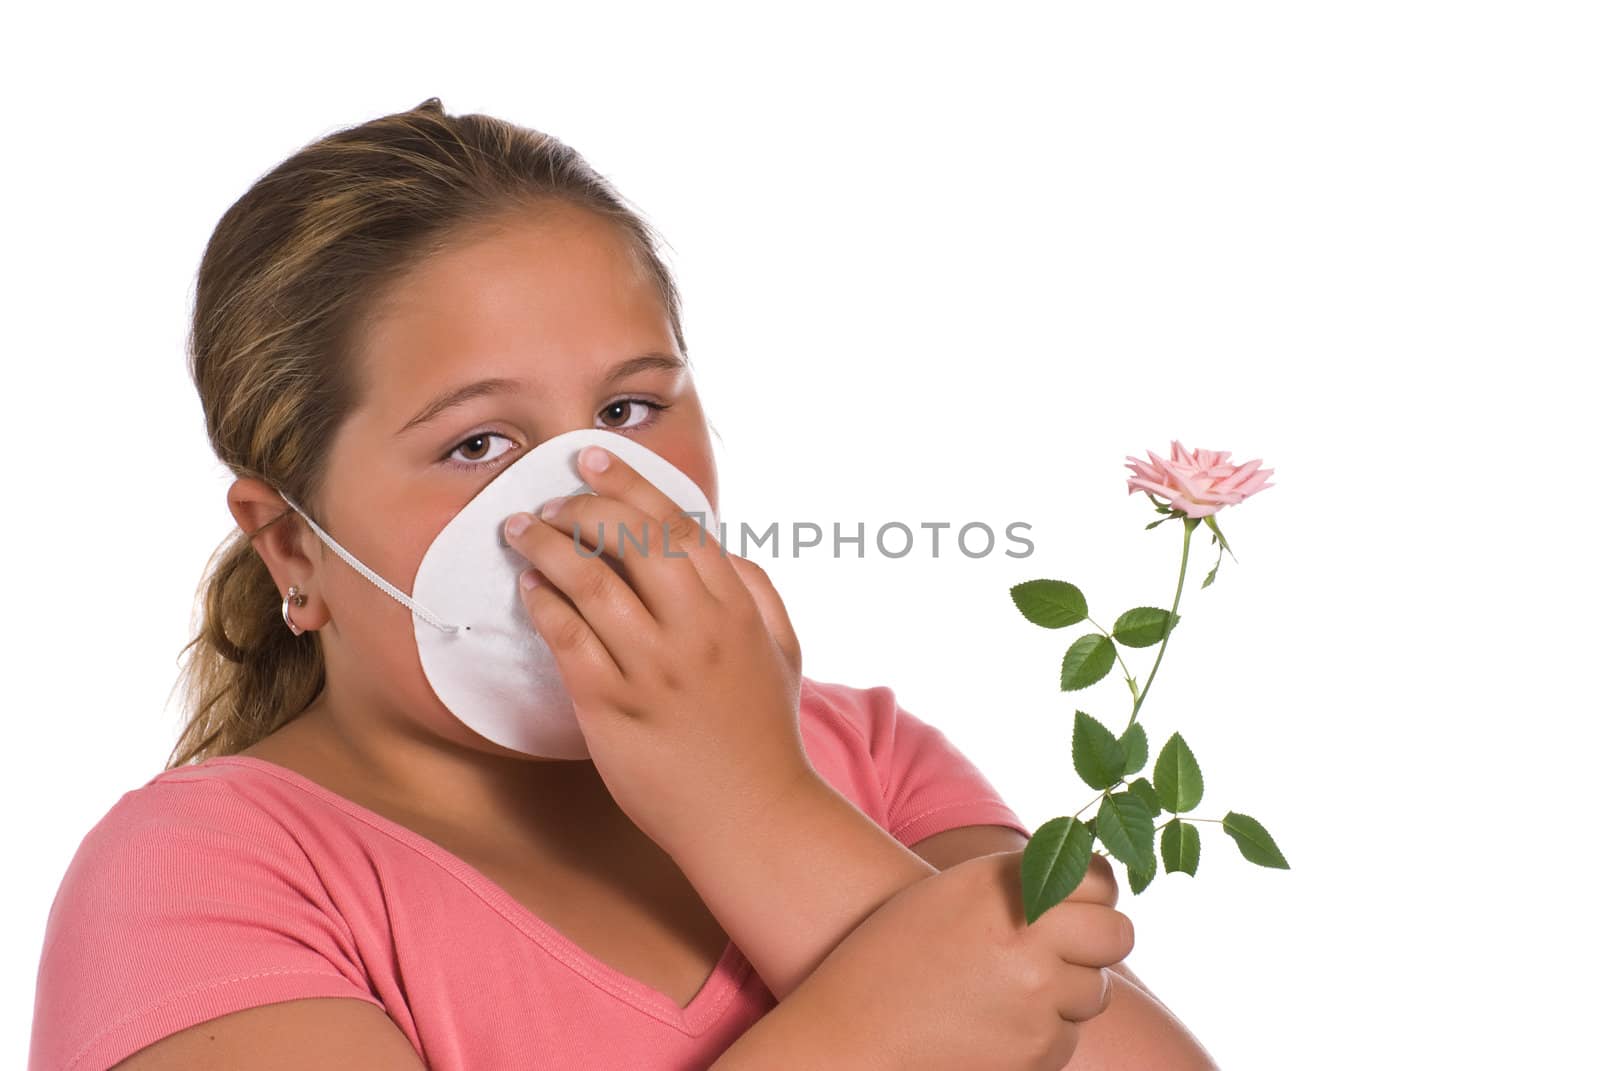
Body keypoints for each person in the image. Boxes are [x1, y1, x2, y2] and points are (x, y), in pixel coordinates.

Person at [28, 98, 1218, 1070]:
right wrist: (870, 1037)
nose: (584, 496)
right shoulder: (202, 877)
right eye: (477, 446)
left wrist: (748, 801)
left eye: (630, 409)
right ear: (291, 544)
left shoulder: (866, 760)